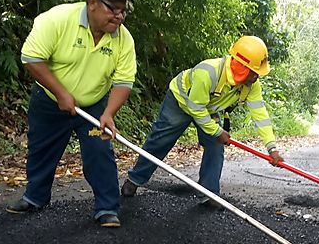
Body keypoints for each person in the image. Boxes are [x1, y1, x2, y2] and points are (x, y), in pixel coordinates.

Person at [6, 0, 137, 228]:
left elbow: (123, 82)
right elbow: (31, 58)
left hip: (94, 104)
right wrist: (61, 93)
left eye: (123, 12)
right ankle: (36, 197)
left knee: (100, 151)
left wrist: (108, 113)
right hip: (50, 101)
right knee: (42, 150)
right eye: (113, 9)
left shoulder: (123, 39)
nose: (119, 17)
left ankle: (107, 208)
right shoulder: (58, 19)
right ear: (92, 2)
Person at [120, 36, 284, 207]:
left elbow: (260, 115)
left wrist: (271, 148)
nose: (257, 76)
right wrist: (217, 131)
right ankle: (134, 179)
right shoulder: (208, 72)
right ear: (241, 67)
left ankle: (209, 193)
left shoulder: (251, 85)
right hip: (181, 101)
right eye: (254, 71)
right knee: (160, 141)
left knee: (215, 146)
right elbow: (195, 108)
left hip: (208, 109)